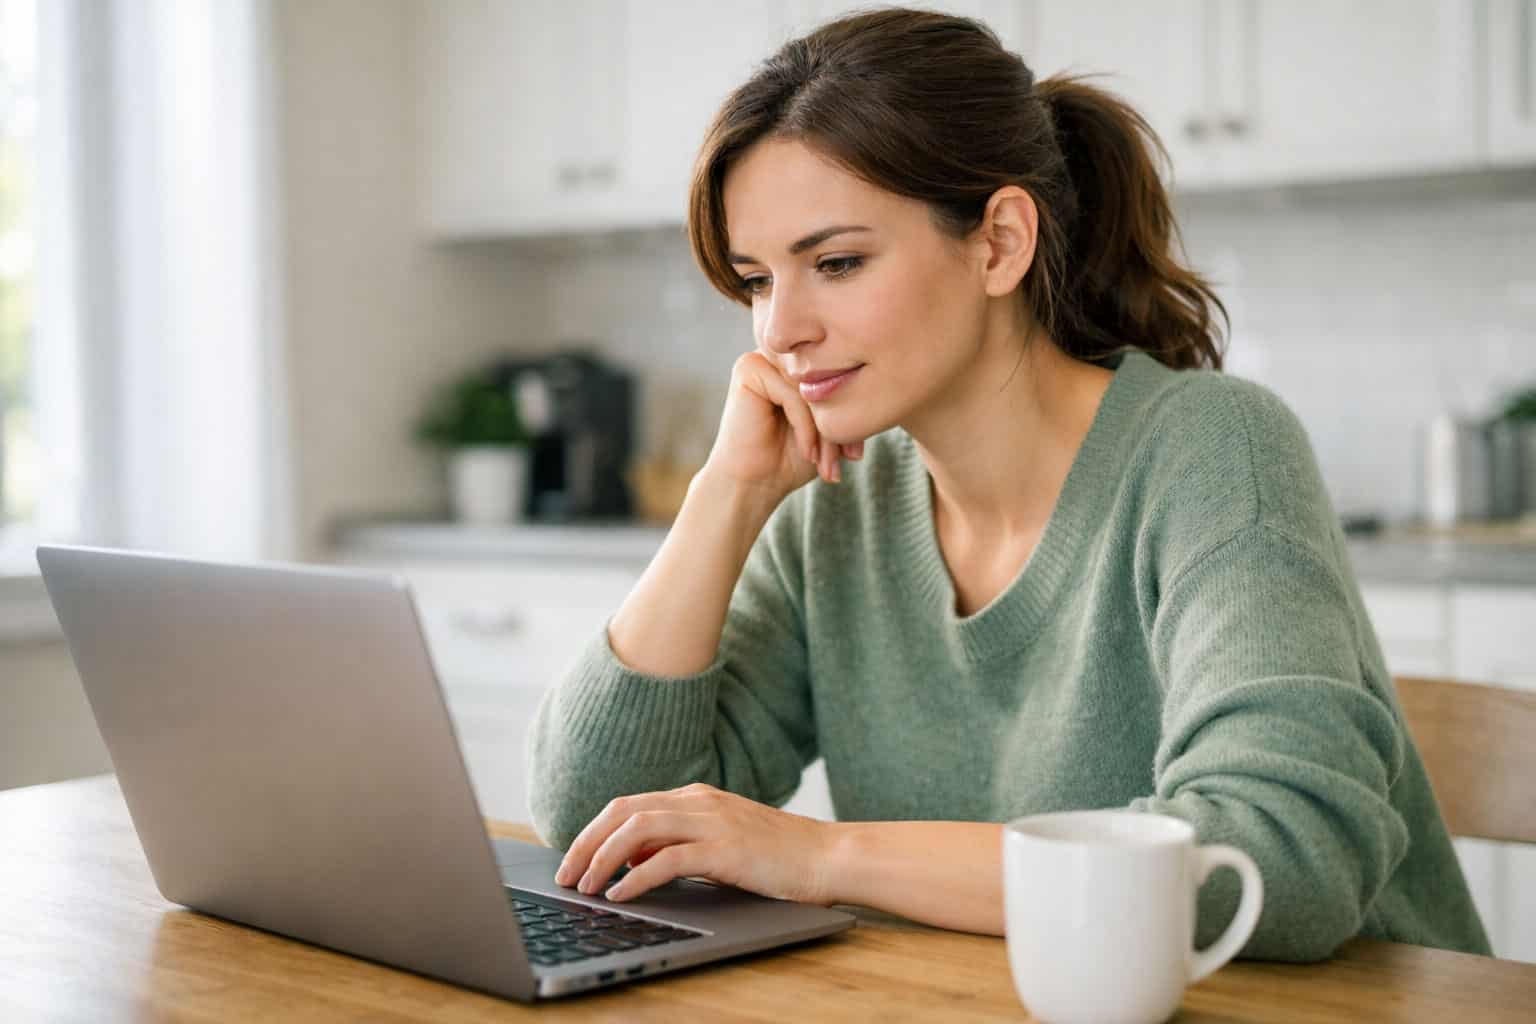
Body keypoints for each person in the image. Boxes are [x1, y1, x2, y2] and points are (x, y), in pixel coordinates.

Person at [527, 7, 1490, 961]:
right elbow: (600, 826)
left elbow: (1284, 861)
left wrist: (826, 857)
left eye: (837, 262)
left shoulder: (1213, 450)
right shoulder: (834, 503)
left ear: (999, 243)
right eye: (756, 281)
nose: (780, 331)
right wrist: (725, 497)